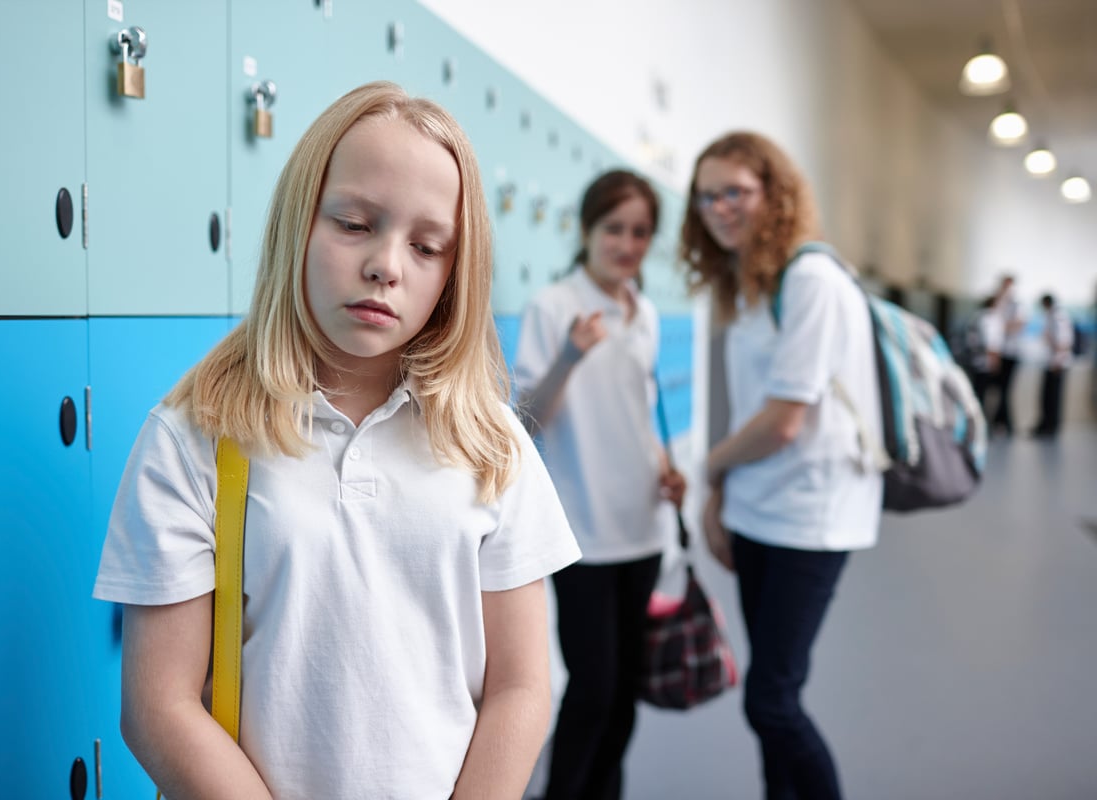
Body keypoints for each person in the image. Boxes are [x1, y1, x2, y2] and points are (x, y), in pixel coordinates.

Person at [92, 81, 581, 800]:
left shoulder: (491, 443)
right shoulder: (196, 435)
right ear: (300, 221)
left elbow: (519, 688)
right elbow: (158, 707)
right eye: (354, 223)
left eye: (427, 245)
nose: (388, 264)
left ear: (455, 271)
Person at [679, 131, 884, 800]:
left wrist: (710, 469)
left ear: (775, 194)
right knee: (771, 701)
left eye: (735, 191)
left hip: (810, 515)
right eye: (707, 195)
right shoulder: (747, 284)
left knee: (771, 699)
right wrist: (723, 499)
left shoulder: (812, 279)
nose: (719, 208)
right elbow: (752, 417)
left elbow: (784, 420)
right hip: (759, 507)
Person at [513, 169, 686, 800]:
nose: (627, 244)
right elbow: (526, 419)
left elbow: (641, 409)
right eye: (614, 228)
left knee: (625, 694)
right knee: (593, 689)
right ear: (586, 230)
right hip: (583, 531)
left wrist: (668, 468)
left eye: (640, 232)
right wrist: (570, 354)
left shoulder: (645, 312)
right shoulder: (555, 305)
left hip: (644, 525)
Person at [1031, 293, 1074, 439]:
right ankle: (1045, 424)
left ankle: (1051, 426)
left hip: (1057, 364)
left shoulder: (1058, 316)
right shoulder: (1052, 315)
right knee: (1047, 396)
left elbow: (1063, 342)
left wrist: (1058, 362)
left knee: (1053, 397)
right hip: (1051, 362)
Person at [991, 274, 1025, 435]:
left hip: (1011, 353)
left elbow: (1017, 325)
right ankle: (1000, 421)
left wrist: (999, 326)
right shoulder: (997, 302)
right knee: (998, 389)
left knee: (1005, 389)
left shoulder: (1017, 304)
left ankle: (1005, 423)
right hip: (998, 352)